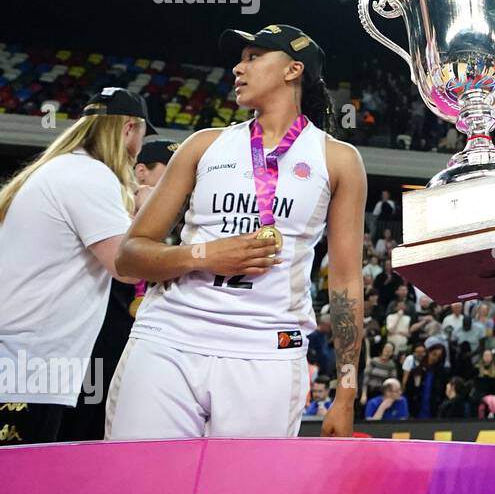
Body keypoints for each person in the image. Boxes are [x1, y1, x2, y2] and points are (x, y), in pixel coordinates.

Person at [107, 24, 365, 440]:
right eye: (240, 59)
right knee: (142, 492)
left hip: (268, 351)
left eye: (253, 57)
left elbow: (347, 283)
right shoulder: (203, 144)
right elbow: (129, 255)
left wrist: (346, 392)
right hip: (170, 338)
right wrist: (205, 256)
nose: (237, 69)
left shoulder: (337, 159)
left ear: (292, 69)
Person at [0, 88, 151, 445]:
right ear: (129, 128)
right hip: (32, 363)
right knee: (18, 489)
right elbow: (128, 267)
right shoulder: (90, 175)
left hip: (23, 355)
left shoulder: (58, 169)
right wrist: (152, 213)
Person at [60, 138, 178, 442]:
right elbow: (121, 261)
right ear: (141, 172)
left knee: (124, 422)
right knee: (86, 416)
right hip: (99, 333)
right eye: (169, 173)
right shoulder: (111, 206)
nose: (179, 184)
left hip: (144, 336)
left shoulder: (178, 219)